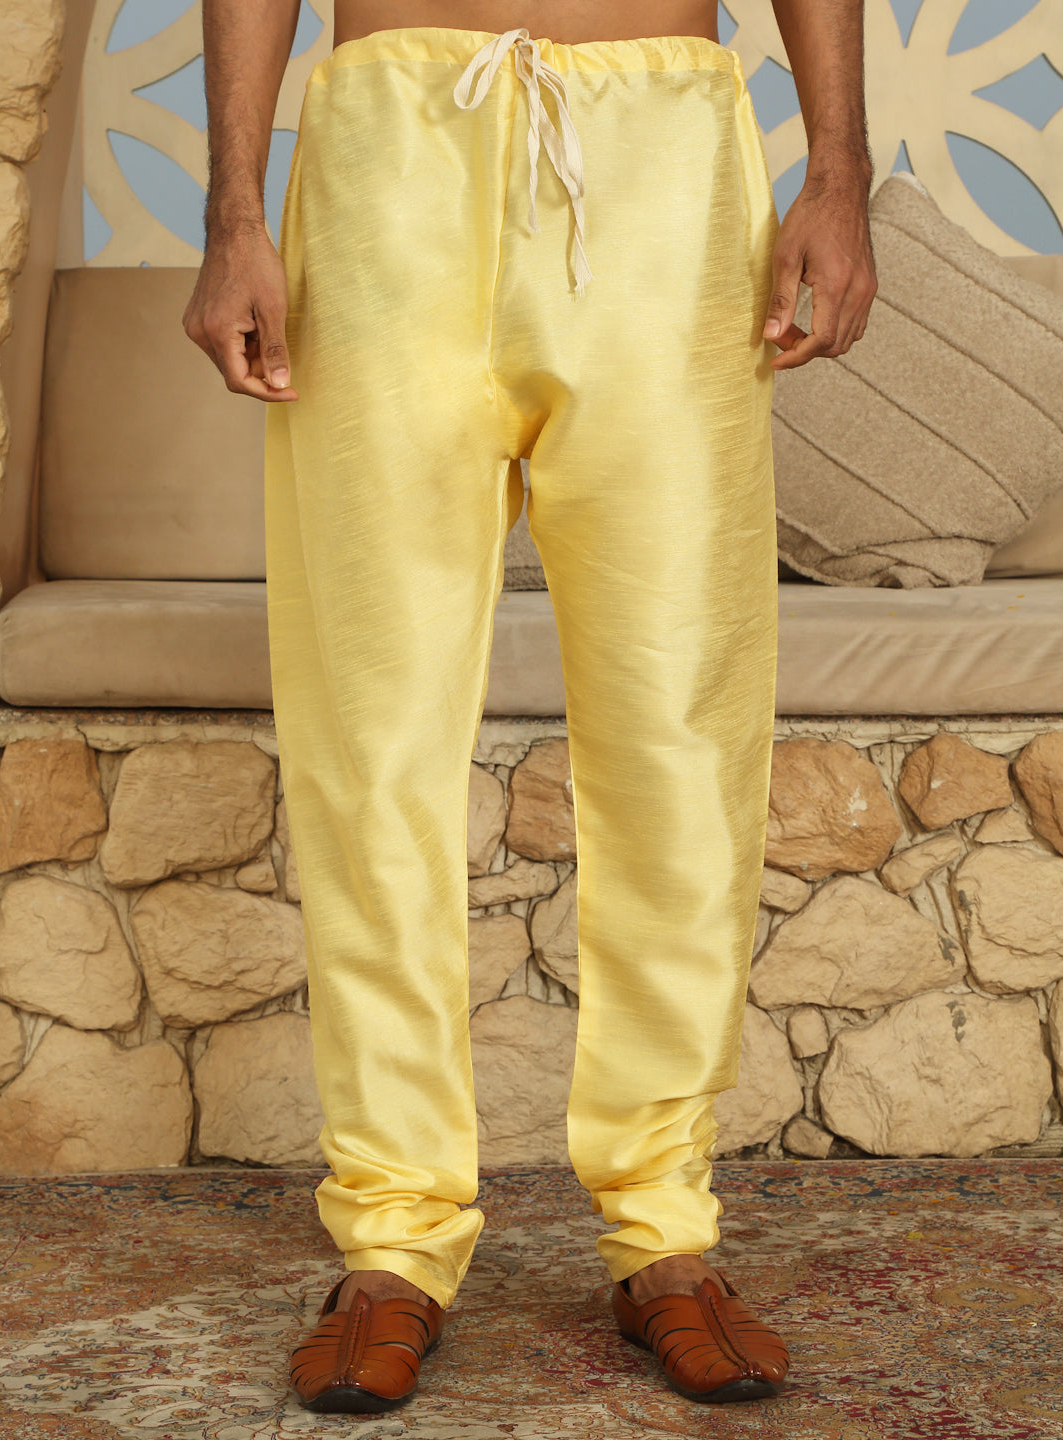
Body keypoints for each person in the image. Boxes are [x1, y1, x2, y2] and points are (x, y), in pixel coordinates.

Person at [184, 0, 877, 1414]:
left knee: (679, 724)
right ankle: (391, 1240)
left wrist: (838, 169)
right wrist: (234, 211)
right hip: (390, 156)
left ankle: (665, 1228)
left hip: (666, 163)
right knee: (371, 733)